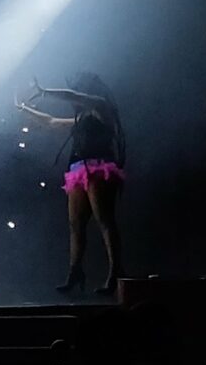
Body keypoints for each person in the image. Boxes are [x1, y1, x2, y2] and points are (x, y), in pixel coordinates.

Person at [17, 72, 125, 294]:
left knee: (104, 221)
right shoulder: (82, 117)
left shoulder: (101, 105)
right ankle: (75, 272)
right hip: (78, 170)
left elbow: (74, 96)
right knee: (75, 225)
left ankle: (115, 273)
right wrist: (24, 109)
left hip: (99, 167)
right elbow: (51, 122)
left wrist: (45, 92)